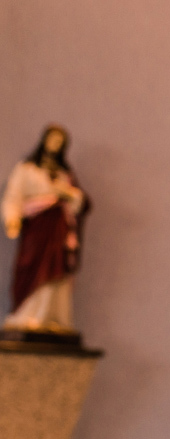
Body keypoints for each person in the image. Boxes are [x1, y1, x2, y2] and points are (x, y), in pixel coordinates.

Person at [2, 124, 89, 333]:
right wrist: (12, 220)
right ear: (44, 141)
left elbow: (81, 202)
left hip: (58, 231)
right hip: (37, 230)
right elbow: (13, 197)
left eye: (60, 142)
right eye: (52, 140)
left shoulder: (64, 174)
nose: (55, 145)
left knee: (57, 271)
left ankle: (53, 318)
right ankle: (27, 315)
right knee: (32, 268)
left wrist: (68, 194)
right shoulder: (28, 169)